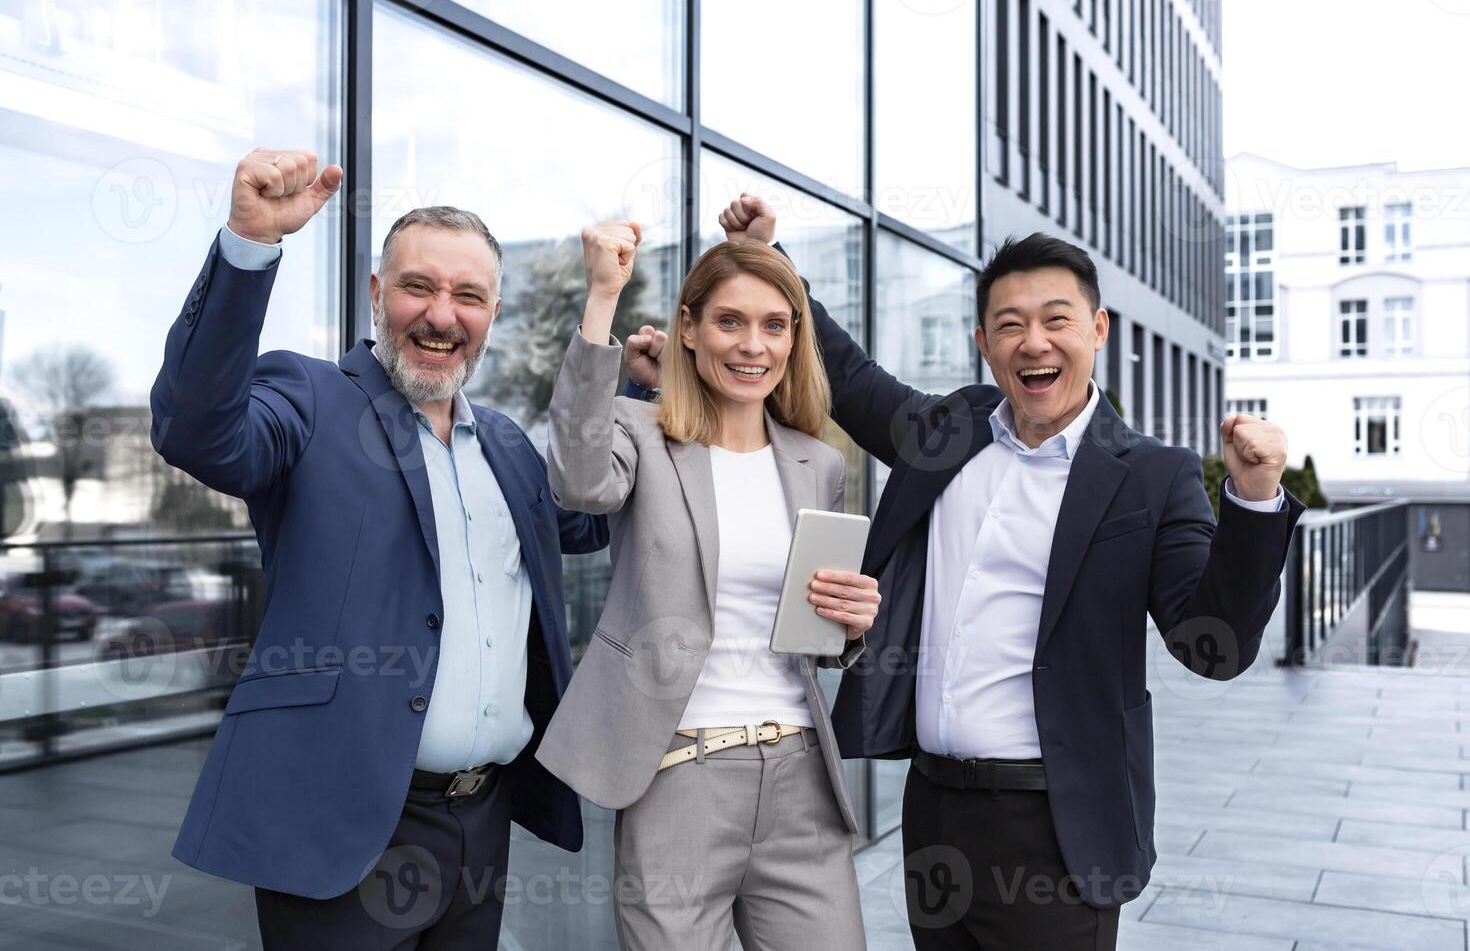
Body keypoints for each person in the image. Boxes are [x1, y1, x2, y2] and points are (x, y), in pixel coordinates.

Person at [627, 195, 1306, 950]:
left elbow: (1212, 646)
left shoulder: (1151, 476)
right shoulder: (947, 434)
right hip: (936, 815)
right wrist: (772, 262)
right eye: (1009, 324)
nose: (1033, 342)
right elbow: (847, 377)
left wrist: (1252, 501)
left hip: (1058, 828)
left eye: (1056, 319)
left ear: (1098, 330)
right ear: (985, 341)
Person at [152, 149, 608, 949]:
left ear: (492, 314)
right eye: (418, 287)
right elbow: (198, 430)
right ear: (375, 295)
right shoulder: (310, 398)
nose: (442, 315)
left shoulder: (507, 446)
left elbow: (591, 517)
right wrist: (249, 245)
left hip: (481, 823)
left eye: (469, 296)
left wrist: (630, 390)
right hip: (340, 826)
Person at [535, 213, 880, 950]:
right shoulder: (640, 432)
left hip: (801, 779)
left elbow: (810, 637)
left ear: (794, 339)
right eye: (729, 321)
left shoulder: (816, 463)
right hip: (678, 775)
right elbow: (576, 480)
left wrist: (849, 623)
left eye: (774, 326)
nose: (754, 346)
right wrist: (602, 299)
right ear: (687, 328)